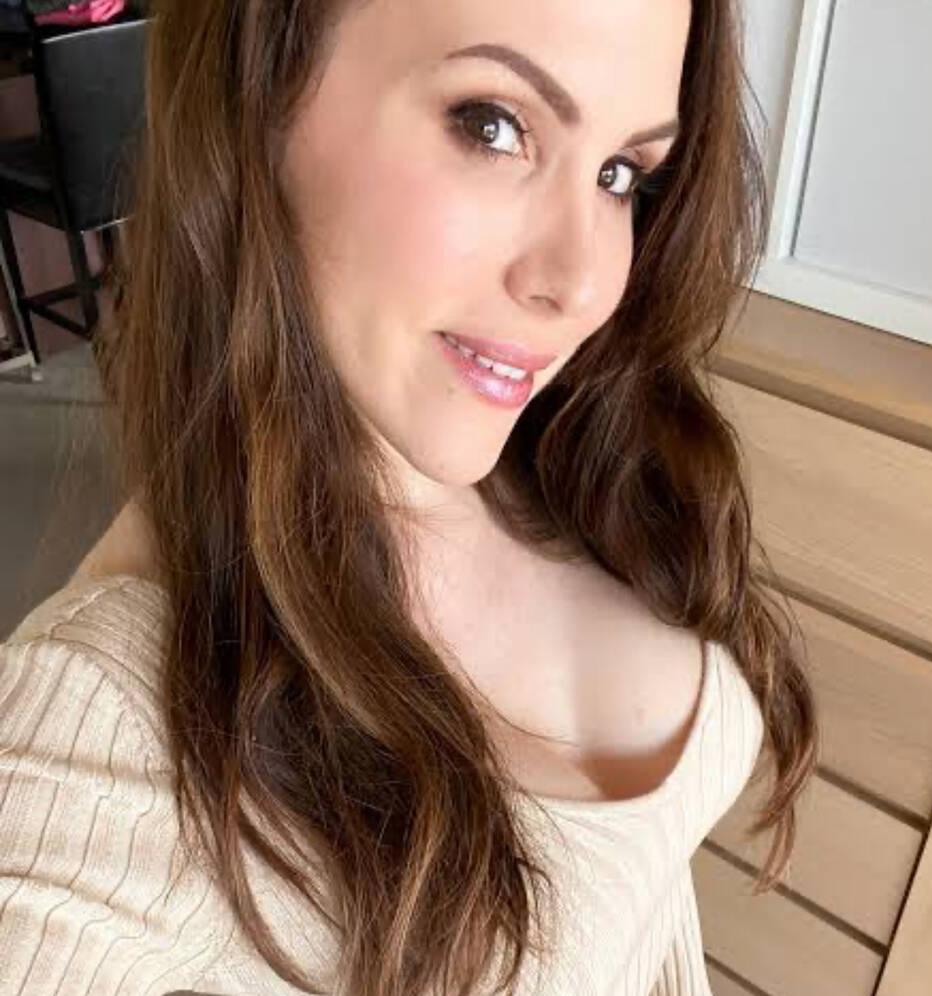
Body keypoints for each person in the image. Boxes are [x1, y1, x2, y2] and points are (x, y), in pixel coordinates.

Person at [0, 0, 820, 993]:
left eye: (620, 174)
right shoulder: (101, 725)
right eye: (492, 124)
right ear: (255, 97)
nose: (580, 283)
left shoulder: (569, 455)